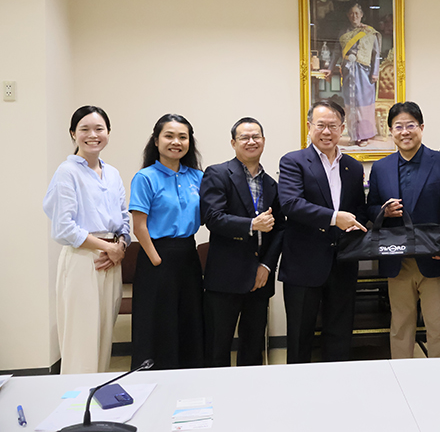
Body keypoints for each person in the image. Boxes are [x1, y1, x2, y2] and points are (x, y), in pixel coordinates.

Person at [367, 101, 440, 359]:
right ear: (390, 132)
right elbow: (370, 209)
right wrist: (383, 211)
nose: (405, 131)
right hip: (397, 259)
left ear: (421, 128)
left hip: (434, 257)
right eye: (398, 126)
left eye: (411, 125)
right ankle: (403, 381)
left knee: (438, 327)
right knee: (400, 326)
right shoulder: (381, 167)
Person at [278, 100, 368, 364]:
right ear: (309, 127)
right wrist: (333, 218)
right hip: (304, 263)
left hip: (343, 262)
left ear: (342, 129)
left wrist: (359, 223)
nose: (326, 132)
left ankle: (338, 388)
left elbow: (358, 210)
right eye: (321, 126)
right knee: (299, 335)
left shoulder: (353, 167)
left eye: (333, 126)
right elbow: (291, 204)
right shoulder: (294, 161)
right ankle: (297, 390)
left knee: (340, 333)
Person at [43, 105, 130, 374]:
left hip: (112, 258)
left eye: (99, 129)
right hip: (84, 259)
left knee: (104, 336)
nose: (93, 135)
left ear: (108, 133)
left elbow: (124, 217)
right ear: (73, 134)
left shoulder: (112, 173)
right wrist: (109, 248)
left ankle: (96, 403)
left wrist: (122, 245)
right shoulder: (67, 172)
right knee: (81, 340)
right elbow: (64, 228)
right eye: (84, 129)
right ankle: (74, 405)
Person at [199, 117, 285, 367]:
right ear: (233, 143)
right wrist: (251, 225)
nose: (251, 141)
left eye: (256, 136)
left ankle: (251, 398)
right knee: (218, 347)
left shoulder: (271, 184)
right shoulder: (217, 173)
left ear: (264, 141)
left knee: (253, 347)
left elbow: (280, 229)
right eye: (244, 137)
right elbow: (212, 218)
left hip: (259, 278)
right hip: (225, 277)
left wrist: (267, 266)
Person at [129, 114, 204, 370]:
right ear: (156, 140)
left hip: (188, 255)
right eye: (169, 136)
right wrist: (157, 260)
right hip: (156, 257)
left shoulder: (197, 177)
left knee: (189, 320)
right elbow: (139, 227)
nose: (176, 142)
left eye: (182, 137)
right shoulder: (145, 177)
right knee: (157, 323)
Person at [323, 2, 381, 146]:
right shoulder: (343, 32)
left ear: (361, 15)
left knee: (363, 104)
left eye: (357, 13)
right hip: (349, 71)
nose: (354, 16)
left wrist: (375, 72)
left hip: (364, 73)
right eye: (351, 13)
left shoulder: (369, 32)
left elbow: (376, 54)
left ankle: (365, 136)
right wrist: (330, 68)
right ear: (348, 15)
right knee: (351, 104)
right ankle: (354, 135)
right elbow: (337, 51)